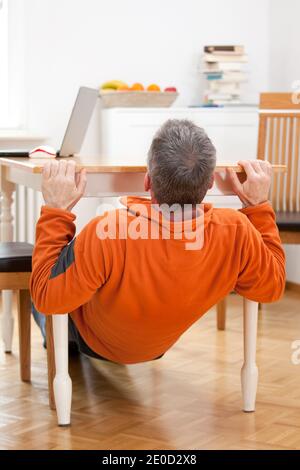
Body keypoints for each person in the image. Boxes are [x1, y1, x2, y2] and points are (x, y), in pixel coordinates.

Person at [30, 119, 285, 364]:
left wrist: (56, 211)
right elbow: (271, 287)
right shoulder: (236, 230)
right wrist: (259, 206)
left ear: (148, 180)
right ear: (209, 183)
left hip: (92, 340)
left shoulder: (106, 231)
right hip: (155, 349)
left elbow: (46, 298)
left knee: (42, 274)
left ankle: (60, 340)